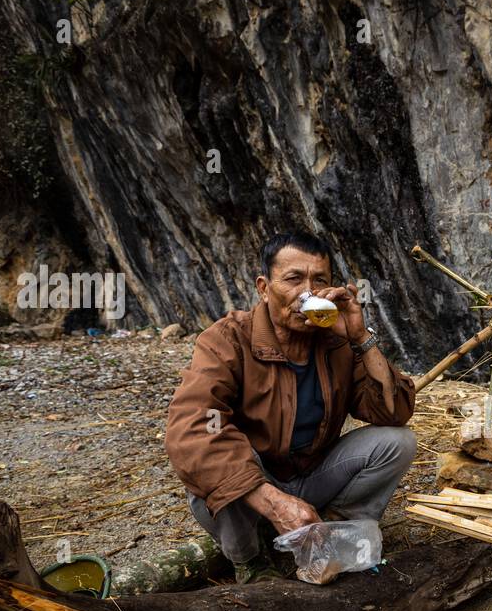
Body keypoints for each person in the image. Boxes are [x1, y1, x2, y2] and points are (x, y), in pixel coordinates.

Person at [166, 231, 416, 583]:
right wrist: (274, 503)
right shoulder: (228, 339)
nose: (308, 293)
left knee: (397, 441)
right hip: (255, 487)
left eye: (319, 281)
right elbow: (192, 430)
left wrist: (360, 338)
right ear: (264, 287)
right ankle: (251, 562)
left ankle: (327, 529)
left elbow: (393, 412)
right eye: (294, 279)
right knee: (218, 461)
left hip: (310, 475)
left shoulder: (335, 341)